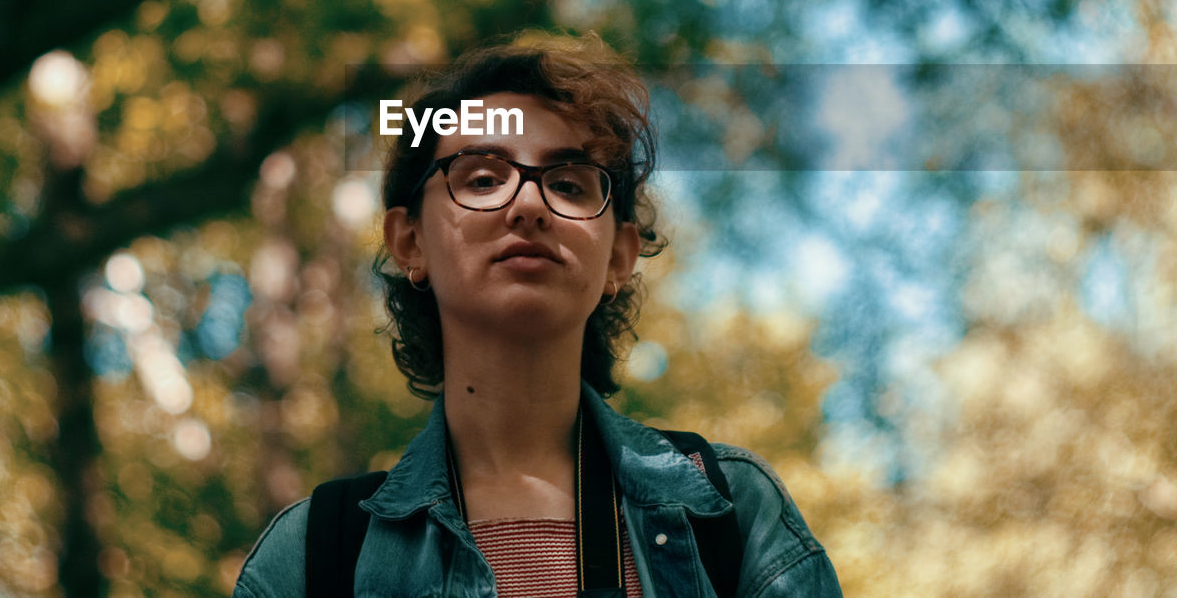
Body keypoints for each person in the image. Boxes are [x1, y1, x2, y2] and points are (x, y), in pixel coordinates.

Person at [234, 34, 843, 597]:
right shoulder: (314, 554)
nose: (528, 204)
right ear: (410, 241)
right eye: (480, 178)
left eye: (571, 185)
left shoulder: (732, 511)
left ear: (618, 258)